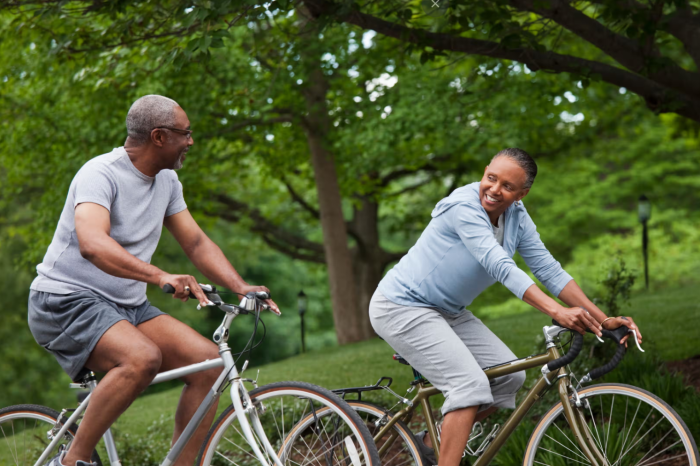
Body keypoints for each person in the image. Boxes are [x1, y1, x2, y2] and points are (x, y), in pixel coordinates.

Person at [28, 95, 280, 466]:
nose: (191, 141)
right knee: (142, 358)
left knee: (211, 366)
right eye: (185, 133)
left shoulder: (167, 181)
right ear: (159, 136)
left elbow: (194, 241)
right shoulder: (100, 174)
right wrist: (160, 274)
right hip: (64, 301)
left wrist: (241, 285)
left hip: (125, 305)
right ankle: (72, 460)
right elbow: (93, 244)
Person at [369, 148, 643, 466]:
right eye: (491, 178)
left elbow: (549, 270)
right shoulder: (463, 206)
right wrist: (556, 311)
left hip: (448, 311)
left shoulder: (517, 217)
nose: (495, 190)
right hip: (402, 306)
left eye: (508, 186)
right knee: (468, 386)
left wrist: (603, 318)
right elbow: (500, 266)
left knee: (510, 379)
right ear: (484, 171)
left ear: (522, 193)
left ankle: (433, 443)